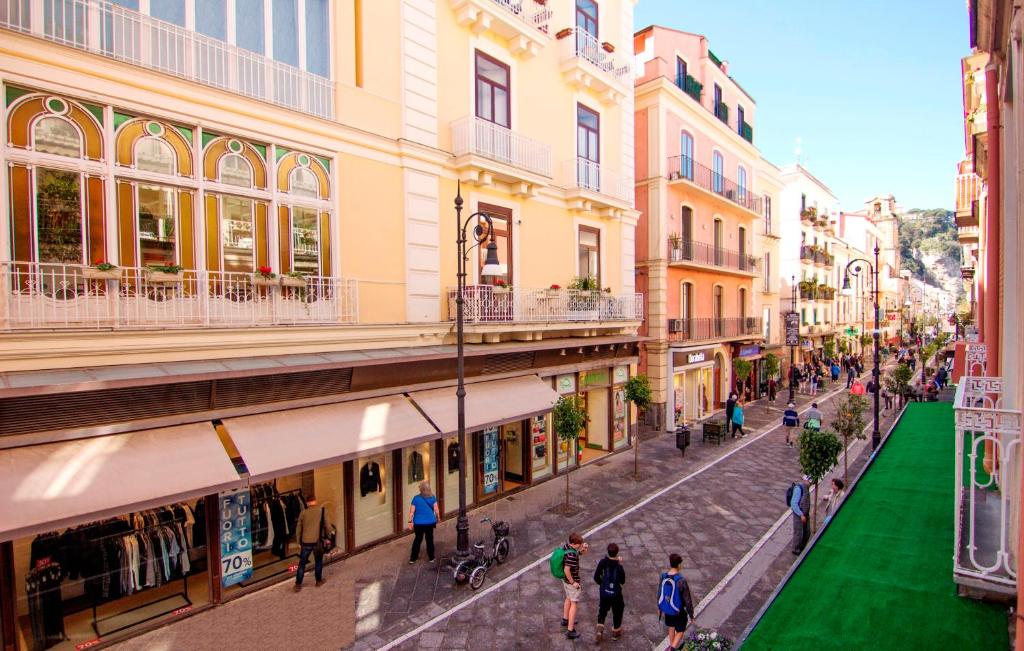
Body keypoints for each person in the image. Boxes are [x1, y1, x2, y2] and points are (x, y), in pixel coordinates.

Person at [658, 553, 696, 651]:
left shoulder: (663, 576)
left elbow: (660, 593)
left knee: (671, 626)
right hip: (678, 611)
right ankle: (672, 648)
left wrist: (659, 607)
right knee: (680, 630)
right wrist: (691, 615)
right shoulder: (681, 580)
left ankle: (671, 646)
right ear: (679, 565)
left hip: (667, 609)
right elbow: (687, 599)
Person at [294, 493, 330, 591]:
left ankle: (298, 584)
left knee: (302, 563)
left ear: (307, 503)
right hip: (317, 541)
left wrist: (298, 541)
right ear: (315, 501)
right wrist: (329, 536)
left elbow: (298, 528)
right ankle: (318, 581)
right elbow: (327, 526)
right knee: (318, 561)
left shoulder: (303, 513)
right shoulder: (322, 511)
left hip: (305, 542)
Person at [593, 542, 626, 642]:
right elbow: (623, 581)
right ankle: (616, 631)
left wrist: (602, 585)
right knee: (618, 611)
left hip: (604, 593)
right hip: (616, 594)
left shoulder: (603, 562)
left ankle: (600, 628)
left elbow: (596, 577)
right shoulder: (619, 566)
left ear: (608, 552)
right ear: (617, 553)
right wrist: (620, 565)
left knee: (602, 610)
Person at [560, 532, 588, 639]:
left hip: (565, 581)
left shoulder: (566, 547)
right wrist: (573, 583)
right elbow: (567, 570)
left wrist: (581, 550)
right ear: (573, 543)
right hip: (571, 581)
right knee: (574, 603)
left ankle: (565, 619)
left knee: (568, 598)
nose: (580, 545)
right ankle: (570, 630)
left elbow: (574, 554)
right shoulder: (572, 555)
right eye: (579, 544)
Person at [408, 481, 440, 564]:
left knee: (418, 539)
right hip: (430, 522)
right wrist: (438, 518)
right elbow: (436, 510)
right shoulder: (432, 498)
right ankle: (431, 557)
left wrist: (410, 521)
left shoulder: (416, 498)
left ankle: (413, 558)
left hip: (418, 523)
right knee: (429, 539)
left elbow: (411, 512)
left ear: (421, 489)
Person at [790, 476, 811, 554]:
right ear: (805, 480)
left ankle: (801, 547)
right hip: (799, 515)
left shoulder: (806, 488)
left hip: (805, 514)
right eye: (809, 481)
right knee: (799, 533)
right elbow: (794, 504)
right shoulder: (799, 489)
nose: (811, 483)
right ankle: (796, 549)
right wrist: (801, 514)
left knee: (807, 532)